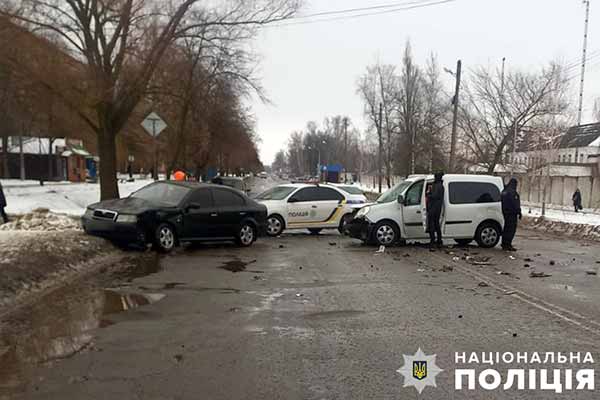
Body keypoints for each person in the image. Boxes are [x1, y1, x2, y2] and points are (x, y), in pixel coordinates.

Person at [501, 178, 522, 251]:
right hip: (512, 213)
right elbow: (515, 203)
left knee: (506, 228)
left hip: (505, 213)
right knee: (511, 229)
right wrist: (519, 212)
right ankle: (508, 244)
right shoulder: (512, 192)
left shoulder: (504, 191)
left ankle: (504, 243)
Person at [426, 172, 444, 247]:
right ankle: (439, 240)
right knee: (436, 224)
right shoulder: (440, 185)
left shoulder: (438, 186)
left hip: (434, 207)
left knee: (432, 224)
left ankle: (432, 241)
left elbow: (434, 196)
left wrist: (428, 194)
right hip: (437, 207)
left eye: (435, 177)